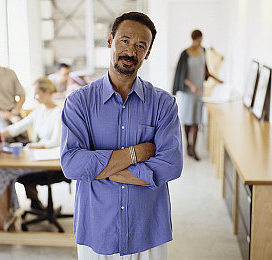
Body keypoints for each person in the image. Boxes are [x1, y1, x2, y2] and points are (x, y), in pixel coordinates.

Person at [60, 12, 183, 259]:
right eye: (124, 41)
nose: (131, 51)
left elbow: (171, 166)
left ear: (147, 53)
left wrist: (100, 169)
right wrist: (135, 153)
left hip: (147, 231)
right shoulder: (78, 103)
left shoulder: (163, 104)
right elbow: (72, 165)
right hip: (97, 230)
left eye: (140, 45)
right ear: (110, 41)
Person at [0, 77, 62, 230]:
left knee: (1, 170)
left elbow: (55, 142)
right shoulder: (39, 112)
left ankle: (3, 216)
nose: (34, 97)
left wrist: (37, 145)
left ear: (47, 92)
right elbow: (17, 127)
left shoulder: (59, 112)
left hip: (49, 161)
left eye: (37, 94)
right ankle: (5, 215)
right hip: (36, 157)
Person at [172, 30, 223, 161]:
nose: (200, 42)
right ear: (193, 39)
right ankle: (187, 145)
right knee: (187, 120)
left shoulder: (203, 51)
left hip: (199, 92)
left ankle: (193, 148)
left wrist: (217, 79)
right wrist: (191, 86)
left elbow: (205, 70)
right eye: (198, 40)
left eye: (201, 40)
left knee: (196, 120)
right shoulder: (185, 54)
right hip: (188, 92)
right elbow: (181, 75)